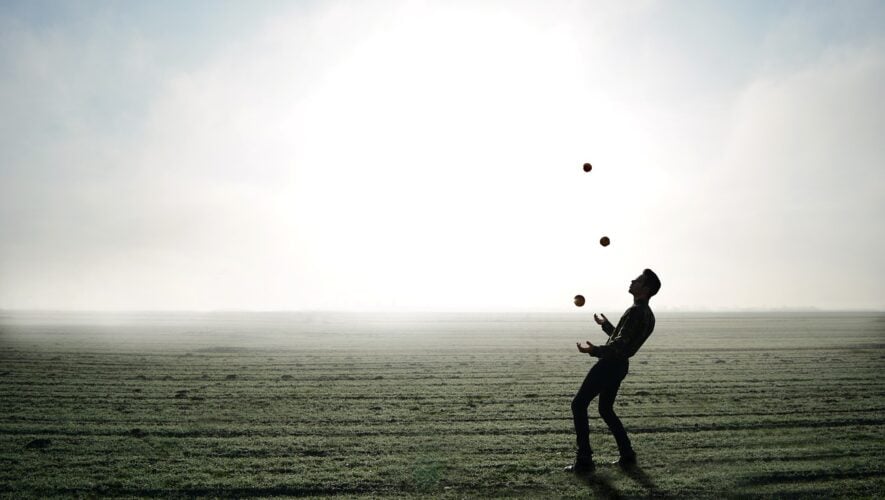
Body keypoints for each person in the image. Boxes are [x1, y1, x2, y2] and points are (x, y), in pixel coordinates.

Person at [566, 269, 661, 474]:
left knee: (579, 404)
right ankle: (627, 455)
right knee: (605, 409)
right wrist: (606, 326)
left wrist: (594, 351)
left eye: (638, 280)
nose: (632, 280)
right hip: (620, 366)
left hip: (610, 364)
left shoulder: (636, 311)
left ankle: (584, 460)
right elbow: (625, 341)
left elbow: (619, 345)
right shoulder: (647, 314)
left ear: (645, 289)